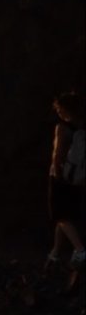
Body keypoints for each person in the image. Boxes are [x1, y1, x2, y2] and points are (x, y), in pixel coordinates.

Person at [45, 92, 86, 271]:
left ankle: (80, 250)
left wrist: (57, 172)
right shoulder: (81, 127)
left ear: (65, 109)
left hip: (61, 176)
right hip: (78, 177)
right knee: (65, 216)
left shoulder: (62, 127)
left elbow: (57, 154)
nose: (58, 112)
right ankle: (54, 253)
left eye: (60, 109)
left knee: (59, 215)